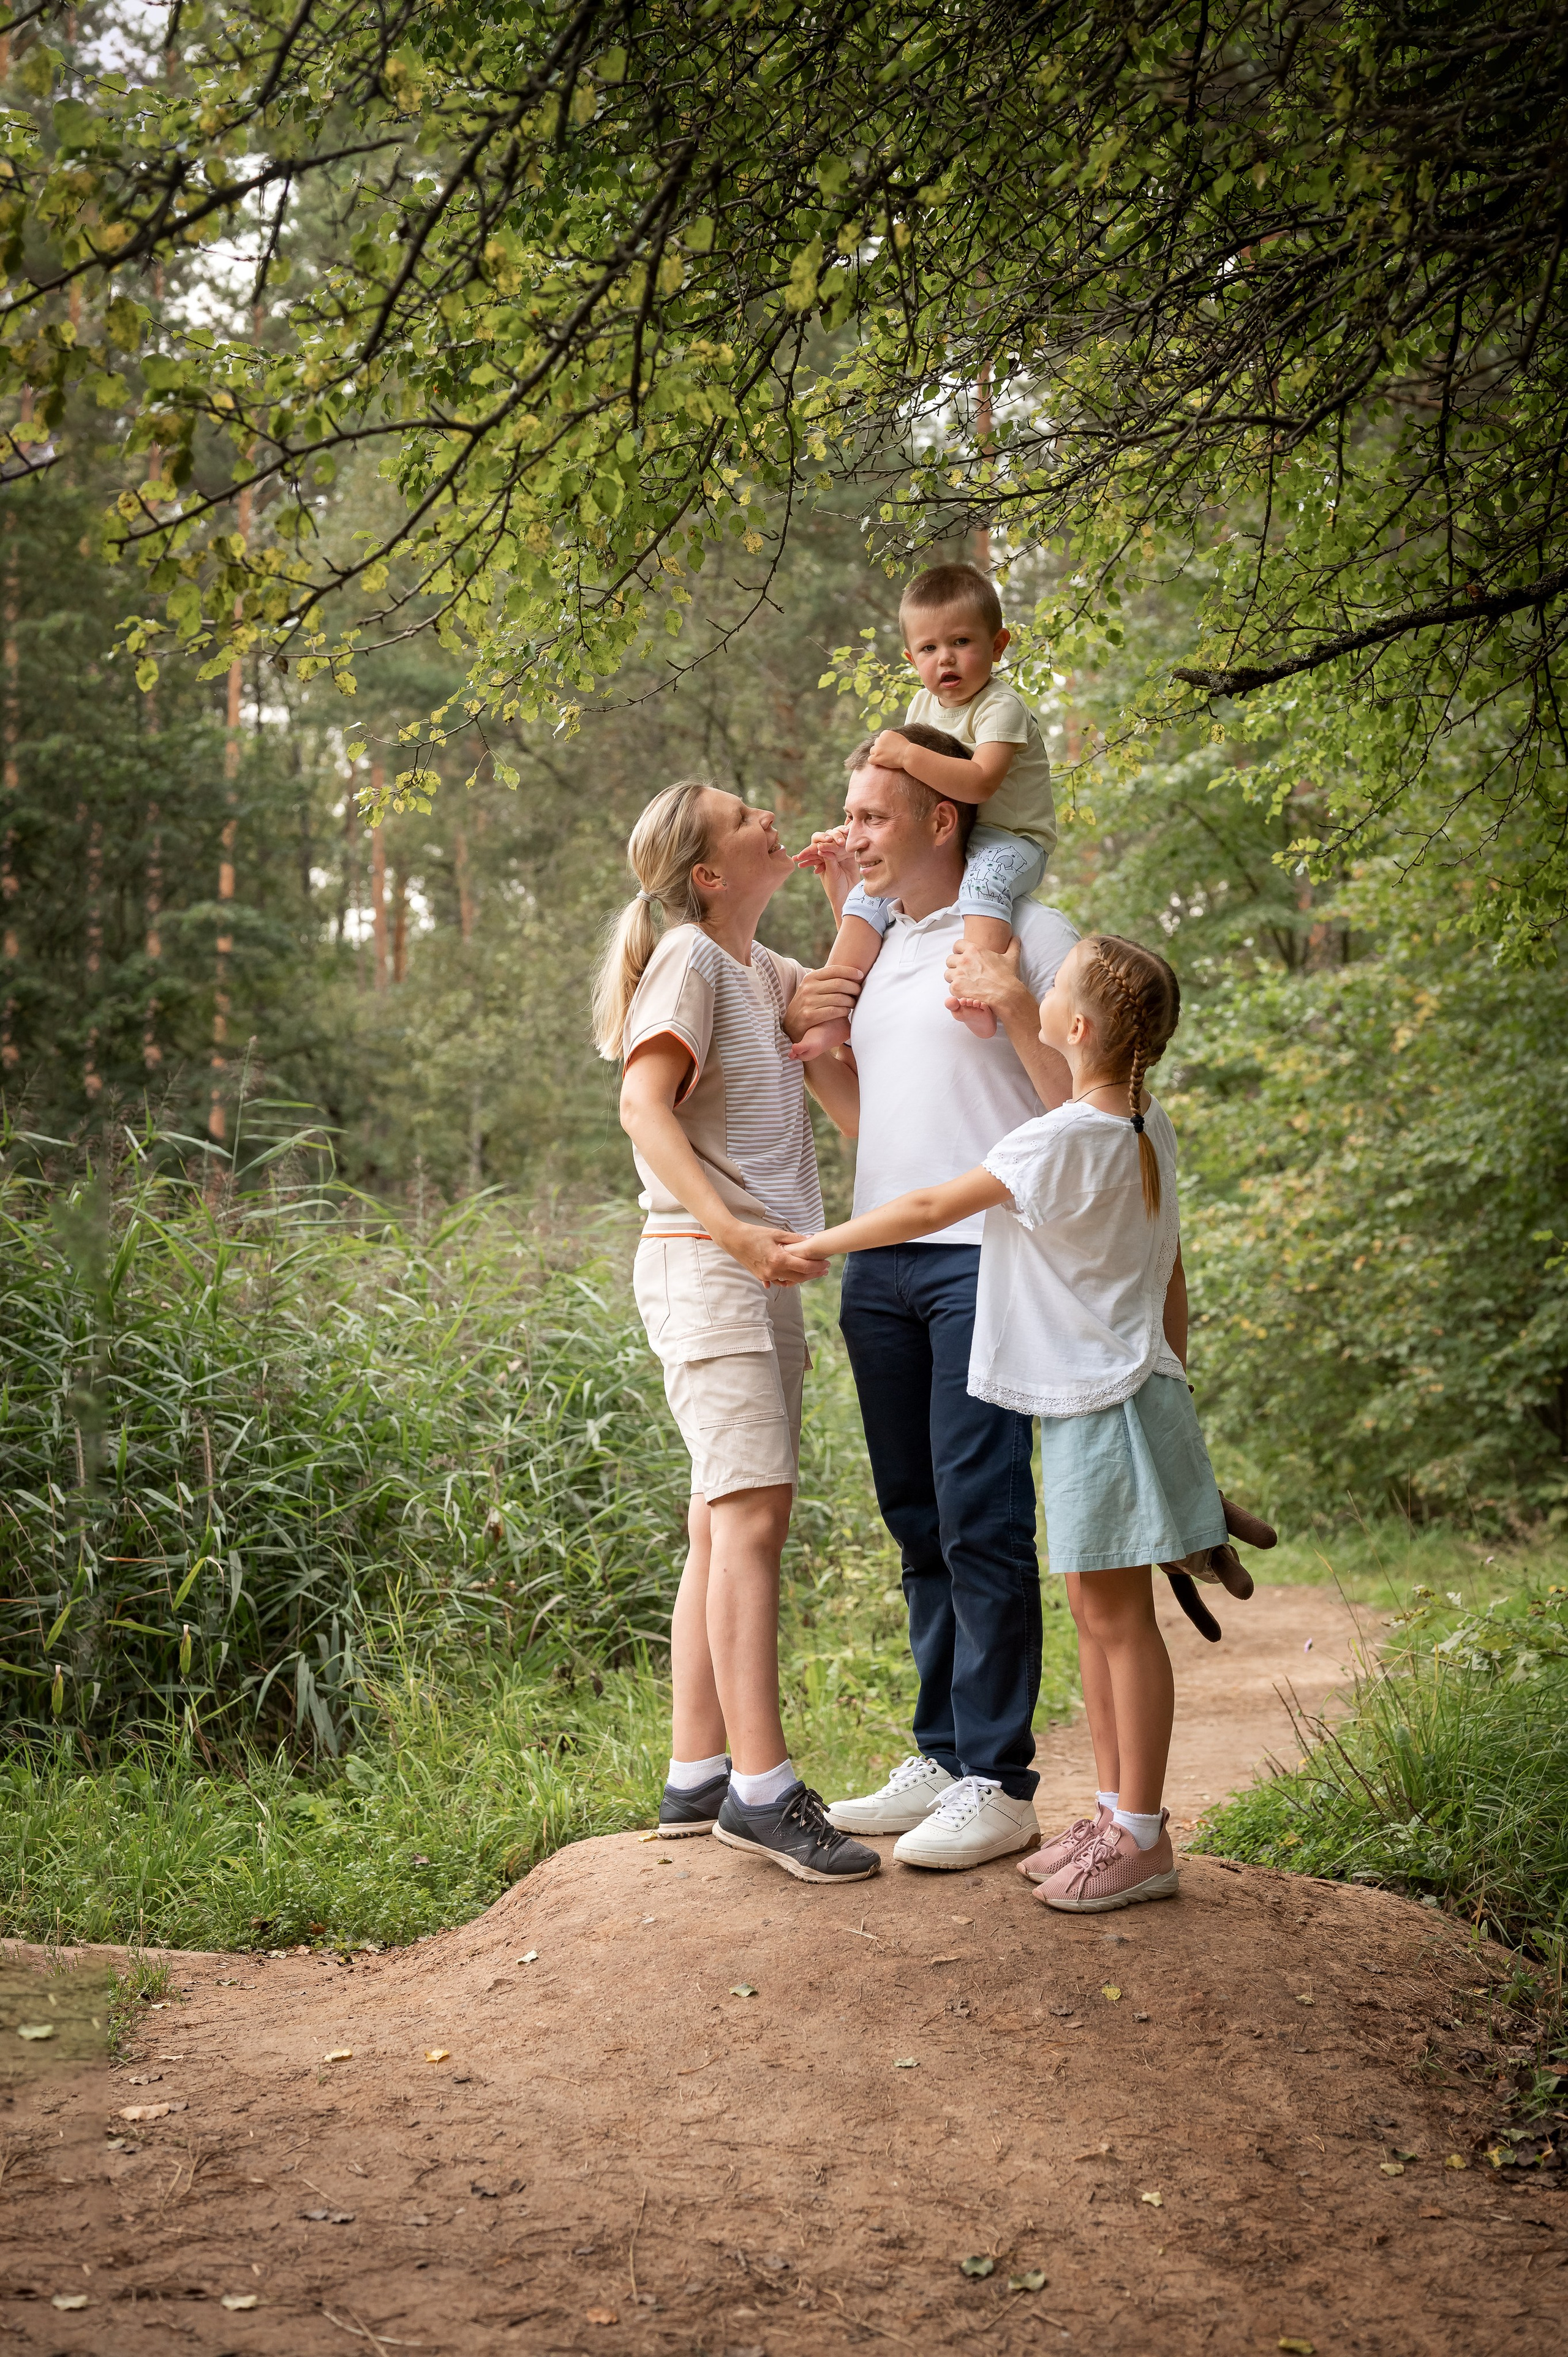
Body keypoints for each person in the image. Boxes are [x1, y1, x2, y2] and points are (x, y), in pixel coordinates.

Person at [786, 932, 1231, 1912]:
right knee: (1096, 1615)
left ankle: (1143, 1837)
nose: (1033, 990)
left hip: (1104, 1402)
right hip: (1108, 1397)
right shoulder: (1139, 1124)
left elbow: (936, 1201)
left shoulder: (1064, 1134)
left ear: (1072, 1026)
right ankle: (1115, 1819)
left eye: (1050, 986)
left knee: (1119, 1625)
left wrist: (818, 1243)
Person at [784, 735, 1079, 1869]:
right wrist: (815, 1052)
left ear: (942, 820)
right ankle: (943, 1750)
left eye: (871, 816)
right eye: (849, 814)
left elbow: (1087, 1109)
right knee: (916, 1516)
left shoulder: (1024, 936)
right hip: (886, 1264)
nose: (851, 834)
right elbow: (879, 1123)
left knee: (981, 1517)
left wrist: (1011, 1008)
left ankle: (1000, 1779)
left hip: (984, 1257)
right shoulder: (892, 945)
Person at [592, 778, 878, 1885]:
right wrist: (731, 1230)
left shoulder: (761, 971)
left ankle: (697, 1771)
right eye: (746, 814)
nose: (774, 819)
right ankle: (763, 1792)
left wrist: (850, 883)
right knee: (753, 1517)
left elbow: (838, 996)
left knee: (722, 1515)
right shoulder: (690, 961)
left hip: (762, 1270)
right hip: (708, 1264)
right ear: (709, 874)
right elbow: (641, 1104)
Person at [789, 562, 1057, 1061]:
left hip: (1012, 839)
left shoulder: (1001, 707)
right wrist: (858, 827)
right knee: (871, 900)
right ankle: (833, 1013)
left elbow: (980, 782)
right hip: (958, 837)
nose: (945, 660)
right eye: (930, 649)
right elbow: (902, 799)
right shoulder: (921, 708)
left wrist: (909, 755)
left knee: (984, 885)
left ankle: (977, 992)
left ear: (998, 646)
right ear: (912, 658)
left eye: (961, 643)